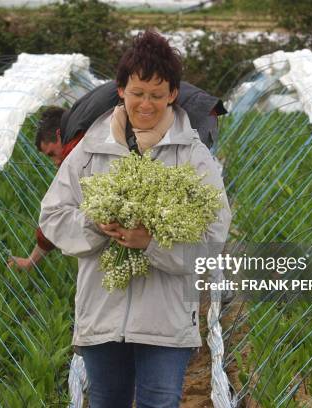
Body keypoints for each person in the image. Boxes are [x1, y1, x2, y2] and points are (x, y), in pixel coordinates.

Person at [38, 30, 231, 407]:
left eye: (157, 95)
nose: (146, 104)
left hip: (167, 320)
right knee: (106, 401)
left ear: (173, 94)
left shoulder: (193, 156)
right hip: (102, 314)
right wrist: (96, 223)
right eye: (138, 93)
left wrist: (153, 244)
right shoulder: (91, 150)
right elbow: (53, 215)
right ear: (121, 89)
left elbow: (213, 236)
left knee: (159, 402)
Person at [10, 80, 226, 270]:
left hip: (194, 112)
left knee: (193, 205)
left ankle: (207, 284)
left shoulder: (77, 136)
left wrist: (33, 259)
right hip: (201, 107)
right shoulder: (80, 118)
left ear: (59, 134)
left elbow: (73, 199)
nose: (56, 161)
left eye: (52, 153)